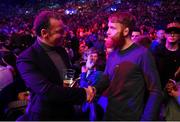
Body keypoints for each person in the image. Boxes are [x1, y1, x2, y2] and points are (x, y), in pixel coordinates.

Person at [16, 10, 93, 121]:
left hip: (67, 110)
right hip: (46, 115)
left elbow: (68, 74)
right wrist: (83, 93)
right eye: (60, 31)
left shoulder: (61, 50)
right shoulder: (27, 58)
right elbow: (47, 91)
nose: (64, 34)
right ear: (44, 33)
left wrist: (70, 86)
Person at [90, 12, 162, 120]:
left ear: (126, 31)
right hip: (110, 115)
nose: (107, 32)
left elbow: (155, 90)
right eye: (108, 27)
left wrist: (147, 119)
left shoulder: (142, 54)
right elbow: (106, 78)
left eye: (112, 28)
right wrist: (93, 89)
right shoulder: (113, 54)